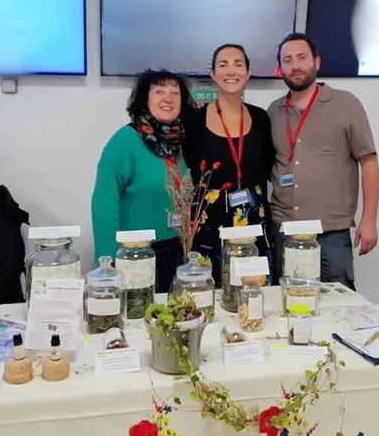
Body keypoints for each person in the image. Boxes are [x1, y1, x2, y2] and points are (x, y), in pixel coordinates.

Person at [268, 32, 379, 290]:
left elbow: (369, 162)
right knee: (288, 302)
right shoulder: (273, 112)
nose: (295, 65)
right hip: (284, 229)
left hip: (330, 230)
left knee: (339, 303)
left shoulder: (345, 104)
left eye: (302, 58)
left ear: (316, 63)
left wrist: (369, 219)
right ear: (280, 68)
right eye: (287, 60)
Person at [91, 69, 192, 292]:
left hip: (176, 250)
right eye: (159, 91)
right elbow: (104, 203)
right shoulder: (125, 140)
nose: (168, 98)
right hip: (133, 254)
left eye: (175, 92)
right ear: (145, 99)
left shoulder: (182, 141)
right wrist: (108, 262)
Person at [183, 44, 275, 285]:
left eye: (238, 64)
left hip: (253, 218)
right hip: (207, 223)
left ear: (247, 73)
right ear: (212, 74)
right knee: (207, 291)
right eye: (223, 65)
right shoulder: (193, 120)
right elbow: (188, 171)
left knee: (252, 292)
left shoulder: (262, 118)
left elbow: (266, 170)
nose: (231, 71)